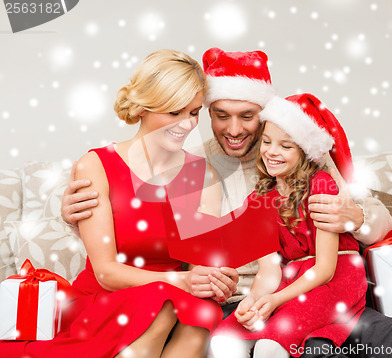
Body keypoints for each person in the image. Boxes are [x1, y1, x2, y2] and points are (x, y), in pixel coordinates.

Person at [61, 48, 392, 358]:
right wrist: (82, 222)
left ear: (266, 115)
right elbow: (172, 248)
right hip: (250, 299)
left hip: (323, 290)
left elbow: (381, 224)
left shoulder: (306, 155)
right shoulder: (196, 167)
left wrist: (355, 217)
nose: (234, 129)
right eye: (220, 115)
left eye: (247, 116)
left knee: (390, 338)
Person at [1, 49, 239, 358]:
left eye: (193, 113)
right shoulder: (97, 165)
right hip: (109, 297)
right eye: (174, 112)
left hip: (173, 292)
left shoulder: (202, 175)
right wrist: (181, 280)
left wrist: (215, 279)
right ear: (144, 107)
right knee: (164, 301)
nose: (186, 124)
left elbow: (199, 266)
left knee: (202, 313)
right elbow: (107, 273)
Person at [211, 93, 368, 358]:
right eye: (268, 142)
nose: (272, 152)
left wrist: (274, 301)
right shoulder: (259, 199)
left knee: (270, 344)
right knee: (223, 340)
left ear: (304, 152)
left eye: (286, 147)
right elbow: (269, 271)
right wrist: (253, 301)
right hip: (291, 281)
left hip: (335, 279)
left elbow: (325, 270)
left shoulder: (321, 186)